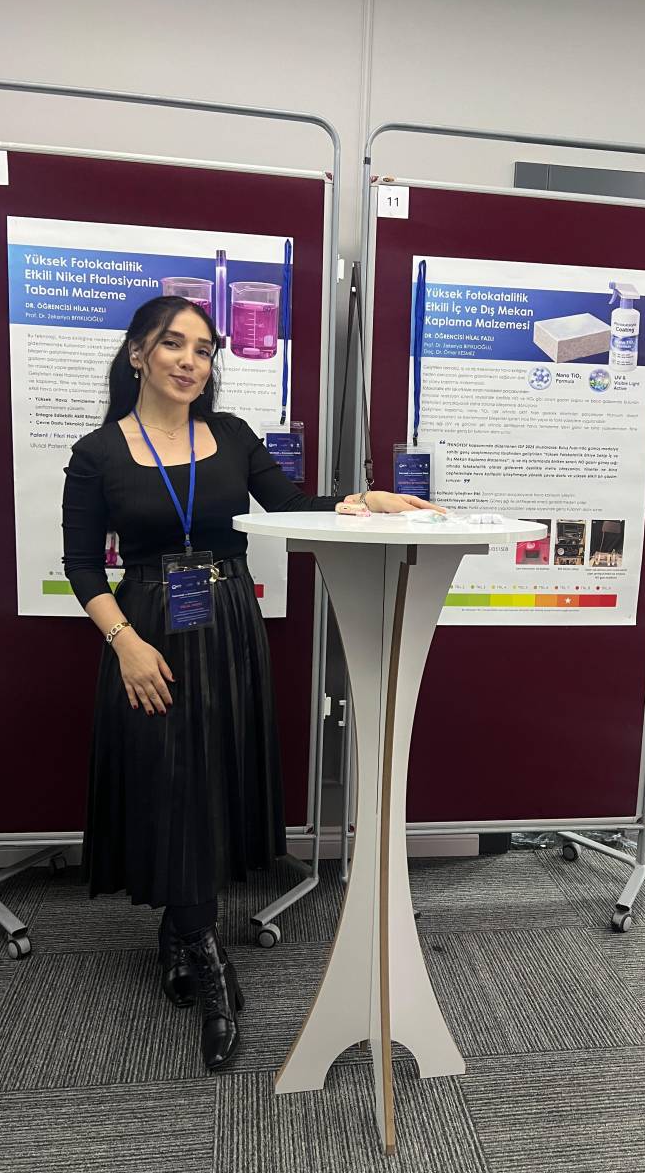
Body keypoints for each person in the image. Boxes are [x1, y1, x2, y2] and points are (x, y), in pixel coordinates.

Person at [61, 295, 437, 1072]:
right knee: (169, 783)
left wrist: (361, 500)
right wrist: (125, 644)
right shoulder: (97, 453)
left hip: (229, 624)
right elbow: (83, 566)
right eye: (173, 344)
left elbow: (293, 505)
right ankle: (208, 959)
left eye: (203, 349)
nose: (190, 360)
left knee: (211, 782)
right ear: (138, 354)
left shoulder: (230, 436)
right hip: (149, 630)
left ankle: (179, 934)